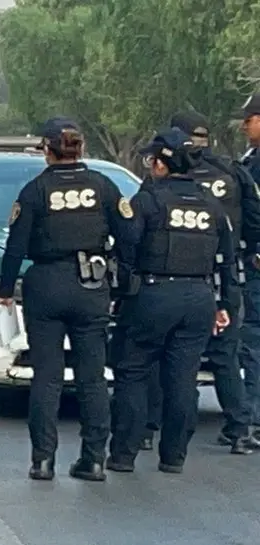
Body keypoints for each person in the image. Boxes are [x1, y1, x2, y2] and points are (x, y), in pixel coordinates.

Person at [0, 117, 132, 482]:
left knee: (48, 377)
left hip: (46, 285)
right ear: (81, 149)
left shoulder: (34, 191)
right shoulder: (104, 187)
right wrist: (120, 284)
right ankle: (94, 459)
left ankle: (43, 460)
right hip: (92, 285)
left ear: (46, 150)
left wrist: (6, 290)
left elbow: (15, 248)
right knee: (92, 377)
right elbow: (129, 236)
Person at [107, 128, 236, 474]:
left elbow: (125, 245)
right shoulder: (211, 205)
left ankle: (123, 453)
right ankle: (174, 455)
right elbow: (226, 260)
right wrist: (224, 306)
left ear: (163, 164)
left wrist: (120, 292)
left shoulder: (148, 200)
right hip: (199, 298)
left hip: (152, 294)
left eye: (152, 160)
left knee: (133, 373)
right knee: (182, 378)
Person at [166, 110, 260, 453]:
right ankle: (239, 428)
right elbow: (254, 220)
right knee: (226, 354)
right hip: (226, 276)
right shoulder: (234, 173)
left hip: (175, 278)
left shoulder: (171, 173)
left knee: (174, 353)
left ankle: (161, 427)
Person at [238, 94, 260, 445]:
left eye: (250, 118)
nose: (244, 125)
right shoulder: (250, 159)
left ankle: (254, 416)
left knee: (254, 338)